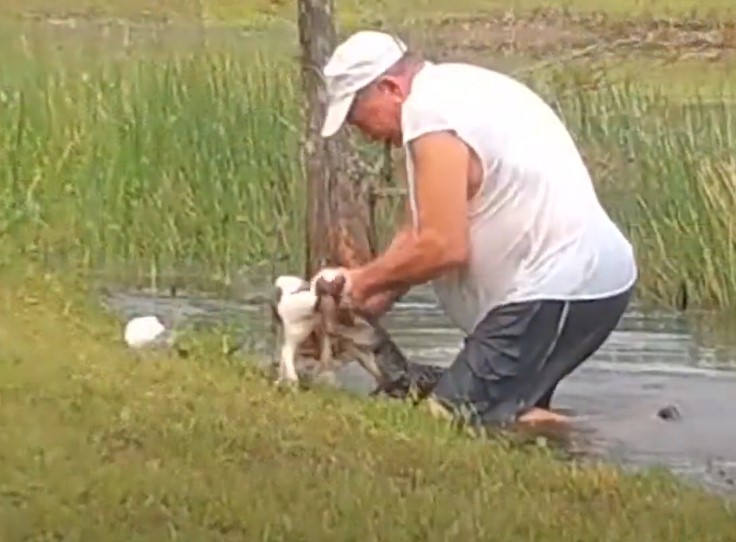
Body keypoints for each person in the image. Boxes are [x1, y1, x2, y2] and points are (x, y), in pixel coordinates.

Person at [315, 30, 638, 427]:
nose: (360, 131)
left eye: (354, 114)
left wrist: (361, 282)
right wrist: (376, 295)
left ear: (389, 88)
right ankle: (596, 436)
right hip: (568, 284)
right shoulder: (451, 92)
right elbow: (419, 229)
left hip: (559, 284)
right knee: (508, 416)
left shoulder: (430, 115)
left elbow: (443, 246)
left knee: (445, 421)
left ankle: (635, 435)